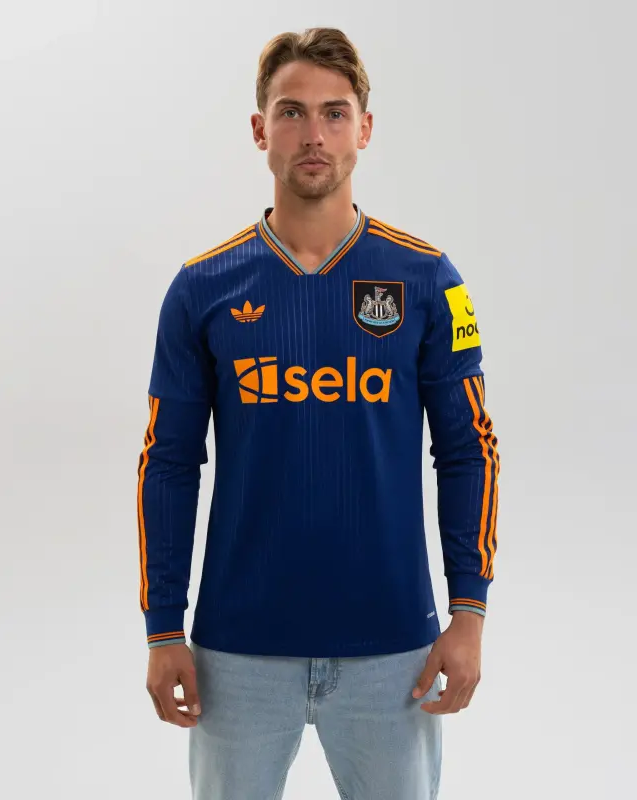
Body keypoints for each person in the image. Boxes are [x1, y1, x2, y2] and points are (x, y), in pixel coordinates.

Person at [137, 26, 500, 800]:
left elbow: (470, 449)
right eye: (292, 112)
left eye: (334, 113)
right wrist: (162, 625)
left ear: (364, 129)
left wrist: (469, 611)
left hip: (393, 653)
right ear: (259, 129)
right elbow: (167, 462)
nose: (314, 134)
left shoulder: (431, 280)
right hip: (236, 655)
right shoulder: (200, 288)